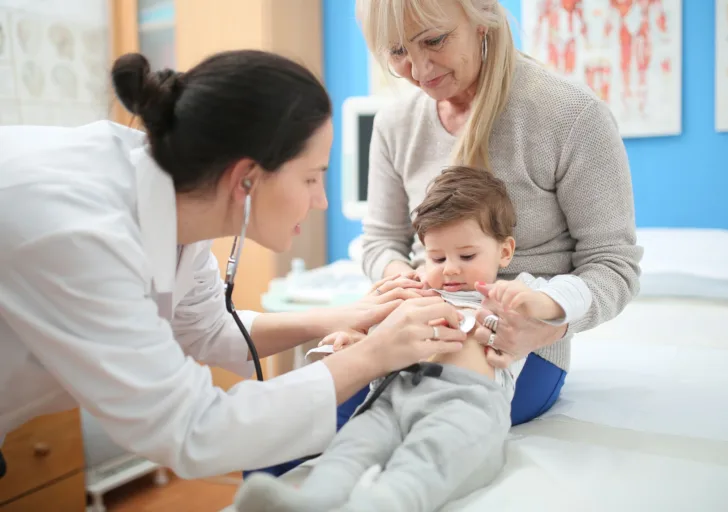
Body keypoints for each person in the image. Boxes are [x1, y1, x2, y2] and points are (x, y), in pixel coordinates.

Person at [0, 49, 470, 480]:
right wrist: (374, 354)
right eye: (311, 178)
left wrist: (349, 317)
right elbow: (193, 429)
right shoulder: (83, 232)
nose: (321, 201)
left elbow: (208, 330)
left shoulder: (174, 202)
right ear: (245, 179)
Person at [349, 0, 643, 430]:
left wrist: (547, 327)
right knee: (311, 408)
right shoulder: (395, 125)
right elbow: (381, 241)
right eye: (397, 52)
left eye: (434, 40)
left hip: (518, 349)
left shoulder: (571, 117)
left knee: (401, 416)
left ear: (482, 16)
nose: (418, 68)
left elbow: (614, 266)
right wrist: (408, 283)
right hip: (422, 321)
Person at [232, 166, 592, 512]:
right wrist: (348, 339)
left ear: (505, 251)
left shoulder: (510, 294)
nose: (450, 267)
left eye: (467, 255)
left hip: (466, 404)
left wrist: (540, 302)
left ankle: (377, 506)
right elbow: (377, 333)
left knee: (424, 460)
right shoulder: (416, 290)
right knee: (350, 447)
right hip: (393, 393)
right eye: (437, 257)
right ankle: (313, 499)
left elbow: (579, 290)